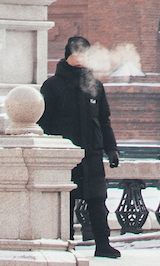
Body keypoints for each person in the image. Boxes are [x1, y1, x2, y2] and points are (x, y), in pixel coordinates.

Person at [39, 36, 121, 259]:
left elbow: (104, 121)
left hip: (91, 153)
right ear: (67, 56)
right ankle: (65, 242)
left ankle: (103, 244)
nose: (81, 58)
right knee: (66, 201)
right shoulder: (52, 86)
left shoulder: (95, 86)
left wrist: (111, 149)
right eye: (76, 53)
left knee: (97, 201)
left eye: (84, 53)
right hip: (63, 155)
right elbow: (43, 123)